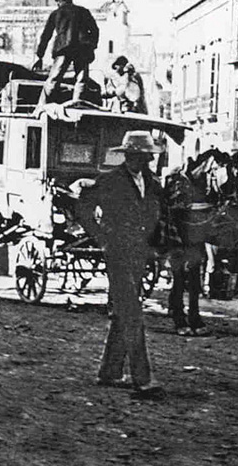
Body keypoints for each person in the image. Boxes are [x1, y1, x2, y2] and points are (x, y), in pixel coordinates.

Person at [75, 130, 164, 399]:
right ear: (127, 156)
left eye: (146, 157)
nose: (142, 161)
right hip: (117, 253)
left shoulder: (152, 182)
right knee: (132, 312)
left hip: (140, 255)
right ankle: (143, 378)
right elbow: (83, 210)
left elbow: (159, 214)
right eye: (136, 156)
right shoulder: (110, 181)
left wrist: (156, 245)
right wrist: (101, 238)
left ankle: (110, 371)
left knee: (124, 312)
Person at [34, 0, 99, 106]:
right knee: (81, 79)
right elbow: (95, 30)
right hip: (82, 49)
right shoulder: (83, 11)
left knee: (54, 79)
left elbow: (46, 35)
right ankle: (77, 105)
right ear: (70, 0)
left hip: (63, 49)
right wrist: (92, 46)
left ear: (59, 2)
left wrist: (40, 55)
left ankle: (43, 106)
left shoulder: (56, 13)